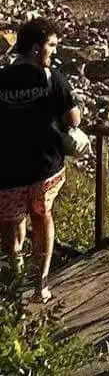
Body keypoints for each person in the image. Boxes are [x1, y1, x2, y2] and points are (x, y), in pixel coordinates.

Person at [0, 19, 81, 303]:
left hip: (7, 169)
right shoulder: (52, 77)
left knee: (10, 223)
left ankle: (16, 274)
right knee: (42, 217)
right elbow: (73, 119)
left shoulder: (1, 77)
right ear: (36, 48)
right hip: (45, 166)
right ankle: (40, 285)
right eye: (51, 45)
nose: (54, 52)